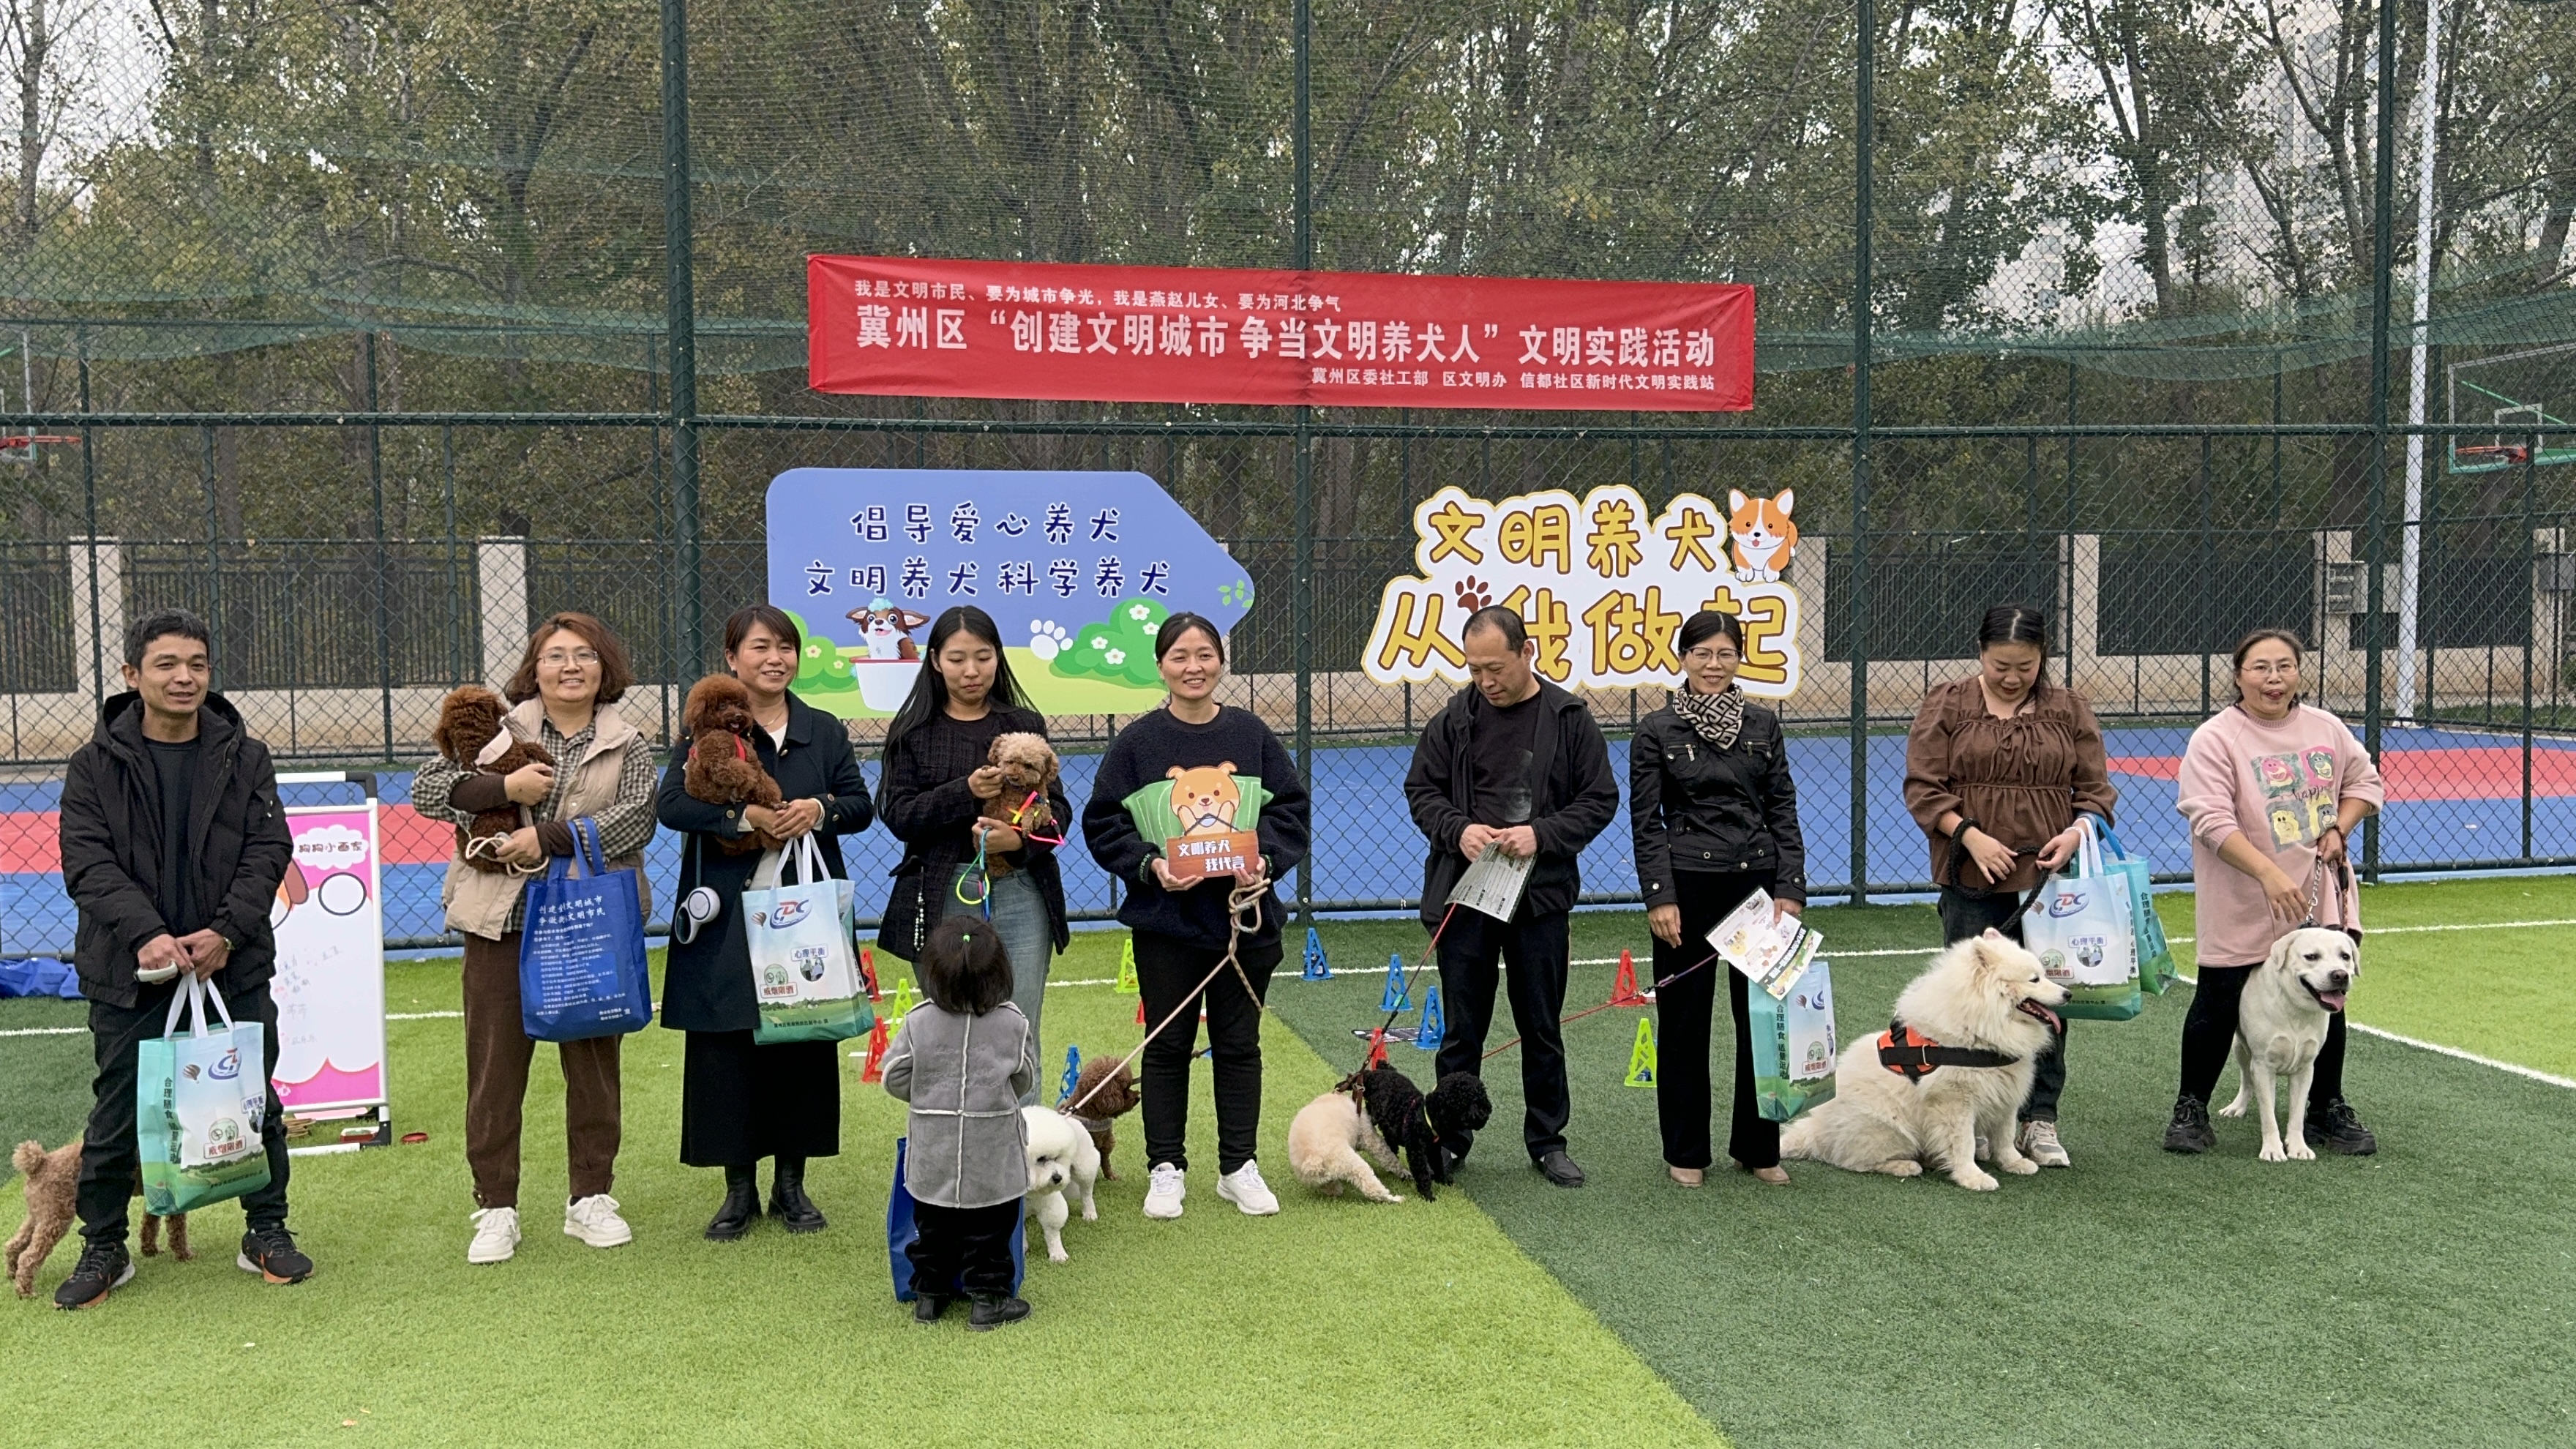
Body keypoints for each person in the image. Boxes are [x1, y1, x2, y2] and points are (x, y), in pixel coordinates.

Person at [52, 608, 304, 1308]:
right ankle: (104, 1245)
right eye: (166, 664)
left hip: (232, 963)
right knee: (117, 1112)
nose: (183, 677)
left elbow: (268, 851)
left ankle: (266, 1229)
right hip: (130, 970)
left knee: (254, 1100)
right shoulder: (92, 765)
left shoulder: (245, 756)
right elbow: (86, 862)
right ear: (133, 675)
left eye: (196, 664)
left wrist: (225, 932)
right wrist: (146, 935)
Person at [412, 611, 659, 1265]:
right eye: (555, 655)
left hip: (589, 922)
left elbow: (637, 820)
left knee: (594, 1066)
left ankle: (591, 1197)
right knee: (494, 1069)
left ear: (605, 667)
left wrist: (546, 837)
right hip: (501, 922)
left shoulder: (629, 741)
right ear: (535, 668)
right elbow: (428, 791)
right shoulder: (498, 729)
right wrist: (503, 786)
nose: (570, 666)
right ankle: (496, 1206)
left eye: (584, 655)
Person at [1080, 613, 1311, 1222]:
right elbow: (1103, 822)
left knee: (1239, 1045)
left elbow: (1291, 810)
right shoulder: (1137, 744)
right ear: (1161, 666)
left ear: (1221, 662)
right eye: (1180, 656)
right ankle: (1166, 1168)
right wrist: (1150, 866)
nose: (1193, 667)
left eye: (1205, 654)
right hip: (1168, 925)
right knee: (1167, 1046)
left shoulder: (1251, 735)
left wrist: (1264, 861)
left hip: (1244, 922)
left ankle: (1238, 1168)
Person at [656, 604, 875, 1240]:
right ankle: (738, 1191)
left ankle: (791, 1186)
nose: (775, 659)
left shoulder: (822, 730)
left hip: (803, 913)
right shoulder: (704, 729)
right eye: (759, 647)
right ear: (732, 658)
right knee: (726, 1046)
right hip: (726, 912)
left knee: (803, 1037)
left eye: (785, 647)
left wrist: (819, 809)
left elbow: (860, 804)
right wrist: (740, 819)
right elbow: (672, 805)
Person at [1402, 604, 1620, 1188]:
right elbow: (1421, 790)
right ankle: (1450, 1139)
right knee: (1461, 1030)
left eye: (1495, 668)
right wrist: (1457, 830)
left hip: (1539, 899)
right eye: (1474, 669)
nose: (1485, 681)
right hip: (1466, 895)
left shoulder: (1569, 719)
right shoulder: (1454, 719)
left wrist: (1541, 835)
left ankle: (1547, 1141)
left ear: (1527, 653)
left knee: (1541, 1026)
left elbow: (1599, 799)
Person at [1903, 603, 2116, 1168]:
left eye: (2026, 666)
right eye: (2001, 665)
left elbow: (2095, 790)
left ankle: (2039, 1118)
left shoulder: (2069, 709)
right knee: (1969, 1004)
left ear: (2043, 657)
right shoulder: (1948, 704)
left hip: (2052, 883)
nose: (2013, 677)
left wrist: (2076, 833)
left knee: (2045, 1000)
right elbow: (1923, 787)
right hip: (1972, 877)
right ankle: (1969, 1122)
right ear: (1980, 653)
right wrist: (1969, 836)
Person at [2165, 627, 2384, 1156]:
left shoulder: (2326, 728)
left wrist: (2339, 828)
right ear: (2238, 676)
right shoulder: (2216, 738)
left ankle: (2326, 1107)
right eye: (2260, 668)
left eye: (2285, 666)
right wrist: (2266, 873)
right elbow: (2209, 818)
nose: (2274, 678)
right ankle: (2191, 1109)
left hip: (2315, 893)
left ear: (2299, 673)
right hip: (2240, 896)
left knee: (2326, 996)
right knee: (2219, 996)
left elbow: (2365, 784)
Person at [1630, 610, 1808, 1188]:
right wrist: (1660, 897)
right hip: (1687, 888)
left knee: (1762, 1021)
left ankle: (1759, 1148)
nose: (1714, 665)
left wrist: (1790, 888)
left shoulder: (1764, 724)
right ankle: (1686, 1151)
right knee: (1684, 1024)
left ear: (1739, 659)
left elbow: (1782, 807)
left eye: (1725, 654)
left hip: (1757, 888)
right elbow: (1647, 823)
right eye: (1702, 653)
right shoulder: (1656, 730)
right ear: (1683, 658)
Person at [875, 605, 1072, 1105]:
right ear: (935, 661)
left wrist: (1019, 843)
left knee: (1019, 1027)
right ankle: (952, 1140)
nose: (971, 671)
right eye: (957, 659)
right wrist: (963, 792)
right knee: (948, 1029)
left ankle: (1022, 1146)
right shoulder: (913, 730)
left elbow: (1058, 815)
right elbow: (899, 815)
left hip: (1022, 892)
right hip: (943, 891)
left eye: (983, 657)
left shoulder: (1023, 724)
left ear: (998, 658)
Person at [881, 916, 1038, 1330]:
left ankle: (929, 1298)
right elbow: (1024, 1077)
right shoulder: (1013, 1022)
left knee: (932, 1227)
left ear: (933, 972)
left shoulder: (918, 1021)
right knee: (990, 1232)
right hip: (992, 1152)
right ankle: (987, 1301)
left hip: (933, 1148)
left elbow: (893, 1075)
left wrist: (926, 1095)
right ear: (1000, 971)